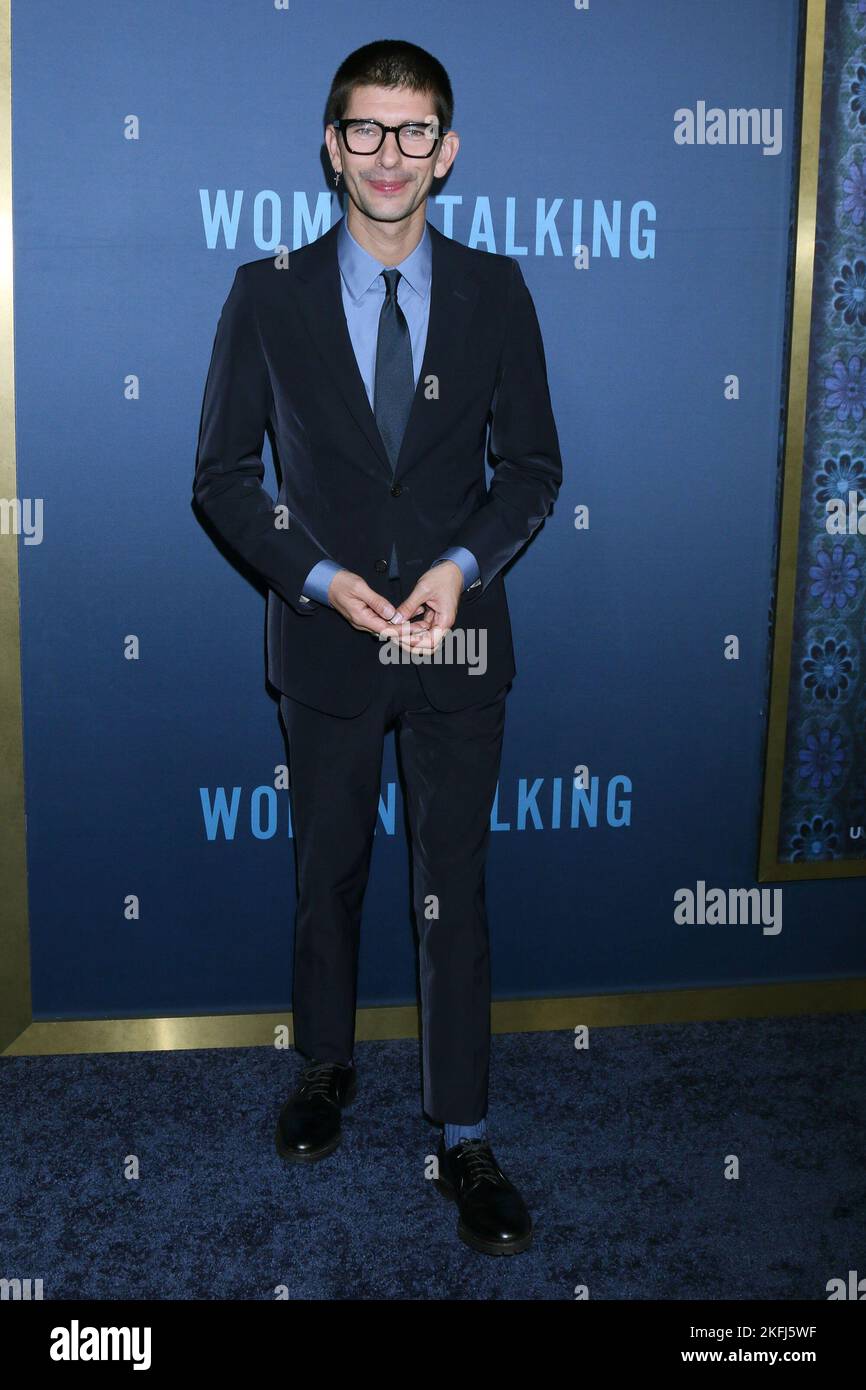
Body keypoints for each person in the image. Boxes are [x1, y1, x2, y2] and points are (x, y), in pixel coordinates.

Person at [193, 38, 563, 1257]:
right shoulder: (268, 293)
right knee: (329, 875)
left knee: (452, 892)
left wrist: (459, 570)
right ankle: (324, 1069)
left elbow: (530, 472)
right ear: (330, 144)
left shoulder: (497, 290)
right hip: (328, 641)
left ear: (445, 151)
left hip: (458, 646)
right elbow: (223, 478)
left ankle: (461, 1132)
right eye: (366, 129)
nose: (389, 155)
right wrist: (316, 575)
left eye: (414, 133)